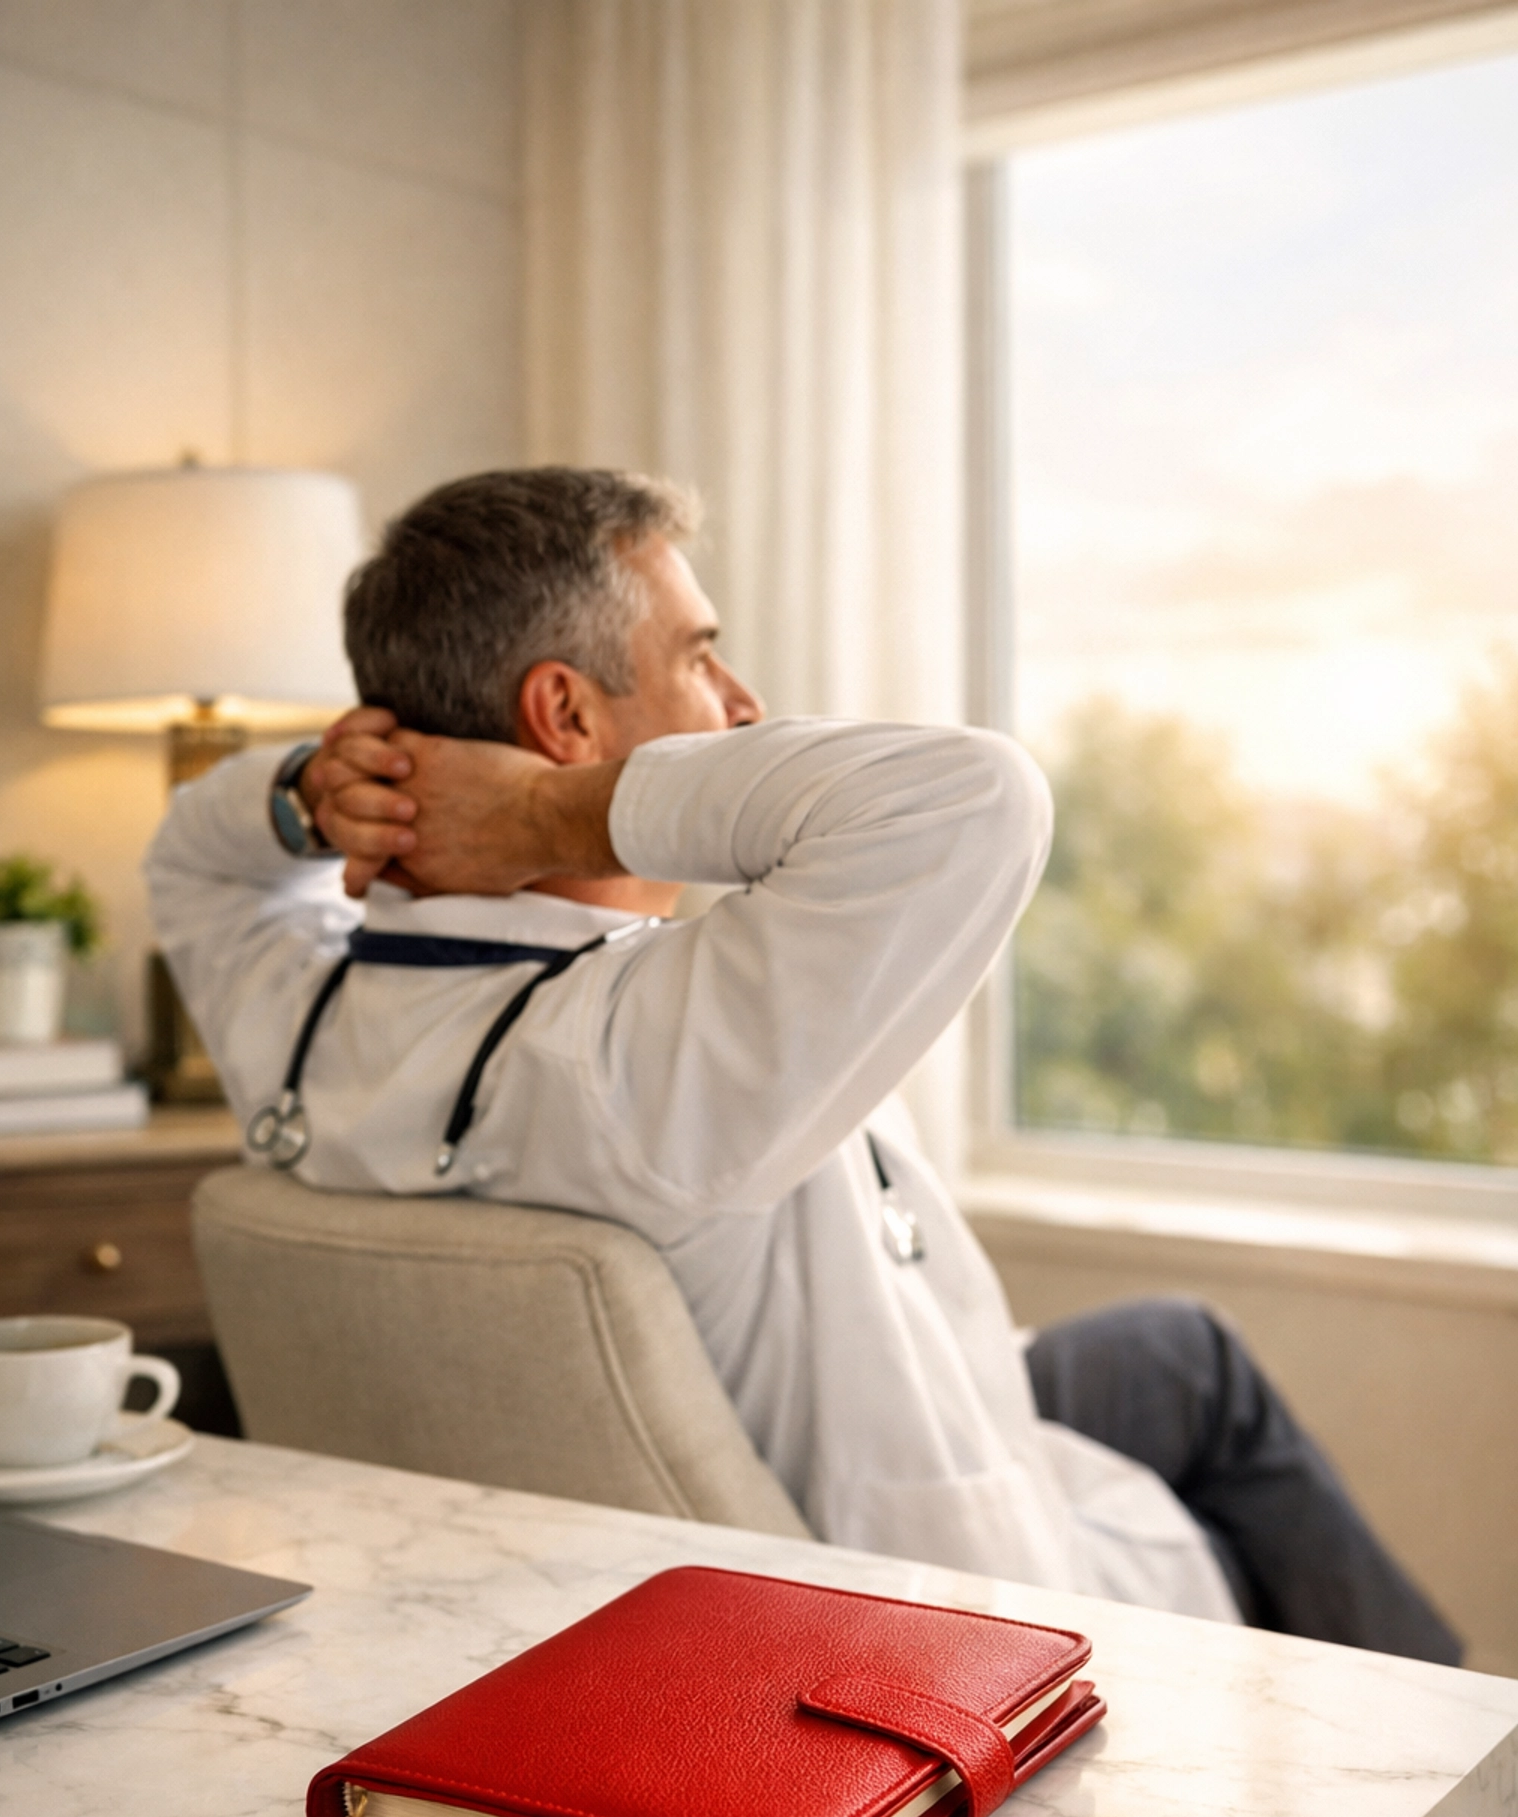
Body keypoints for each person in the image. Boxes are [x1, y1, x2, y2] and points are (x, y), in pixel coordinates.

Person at [145, 466, 1459, 1662]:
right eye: (704, 659)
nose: (746, 708)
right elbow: (972, 796)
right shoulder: (627, 1052)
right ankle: (1469, 1813)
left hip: (800, 1434)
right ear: (564, 715)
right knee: (1214, 1402)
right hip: (902, 1574)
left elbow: (192, 854)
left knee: (1176, 1352)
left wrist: (313, 792)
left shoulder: (304, 1026)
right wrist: (545, 812)